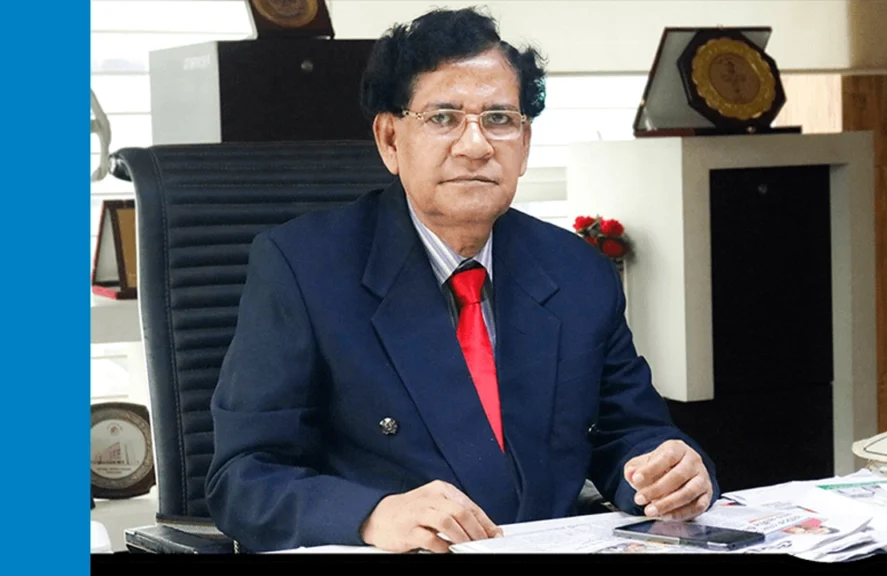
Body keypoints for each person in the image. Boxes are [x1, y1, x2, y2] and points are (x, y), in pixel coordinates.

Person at [204, 6, 719, 554]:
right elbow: (244, 478)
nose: (476, 145)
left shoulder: (577, 271)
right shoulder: (304, 269)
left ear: (524, 143)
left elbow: (630, 432)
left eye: (499, 118)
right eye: (443, 117)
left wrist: (668, 472)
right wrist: (373, 515)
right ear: (390, 139)